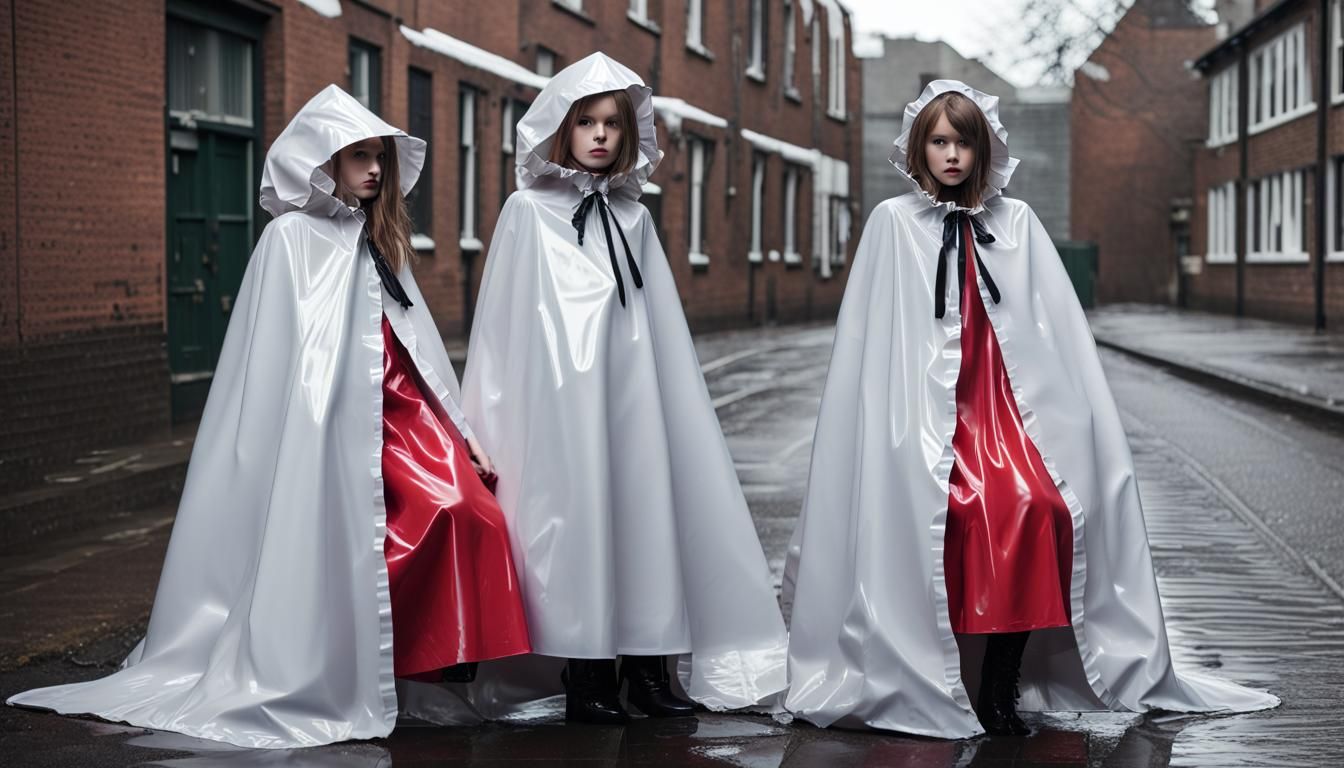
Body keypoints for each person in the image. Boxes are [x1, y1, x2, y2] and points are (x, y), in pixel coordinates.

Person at [6, 85, 530, 748]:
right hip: (333, 423)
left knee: (471, 512)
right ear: (326, 161)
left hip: (403, 414)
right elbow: (277, 360)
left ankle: (433, 671)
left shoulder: (380, 237)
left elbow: (418, 343)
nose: (373, 170)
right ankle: (357, 662)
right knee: (393, 526)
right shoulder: (288, 239)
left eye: (379, 159)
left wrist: (464, 434)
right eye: (358, 156)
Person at [781, 80, 1279, 738]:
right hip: (924, 416)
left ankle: (999, 682)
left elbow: (1054, 337)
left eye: (964, 141)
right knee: (954, 510)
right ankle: (933, 670)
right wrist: (895, 429)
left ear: (984, 149)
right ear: (919, 147)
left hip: (1008, 412)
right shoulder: (892, 224)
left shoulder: (1015, 223)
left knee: (1034, 508)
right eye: (939, 141)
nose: (952, 155)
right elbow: (869, 348)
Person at [459, 52, 789, 724]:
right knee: (577, 526)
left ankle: (649, 669)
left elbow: (653, 323)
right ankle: (587, 676)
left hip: (631, 401)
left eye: (612, 123)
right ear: (563, 128)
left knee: (643, 521)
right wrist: (484, 422)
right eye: (587, 122)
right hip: (558, 408)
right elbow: (501, 325)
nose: (602, 135)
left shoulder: (633, 217)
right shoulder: (527, 212)